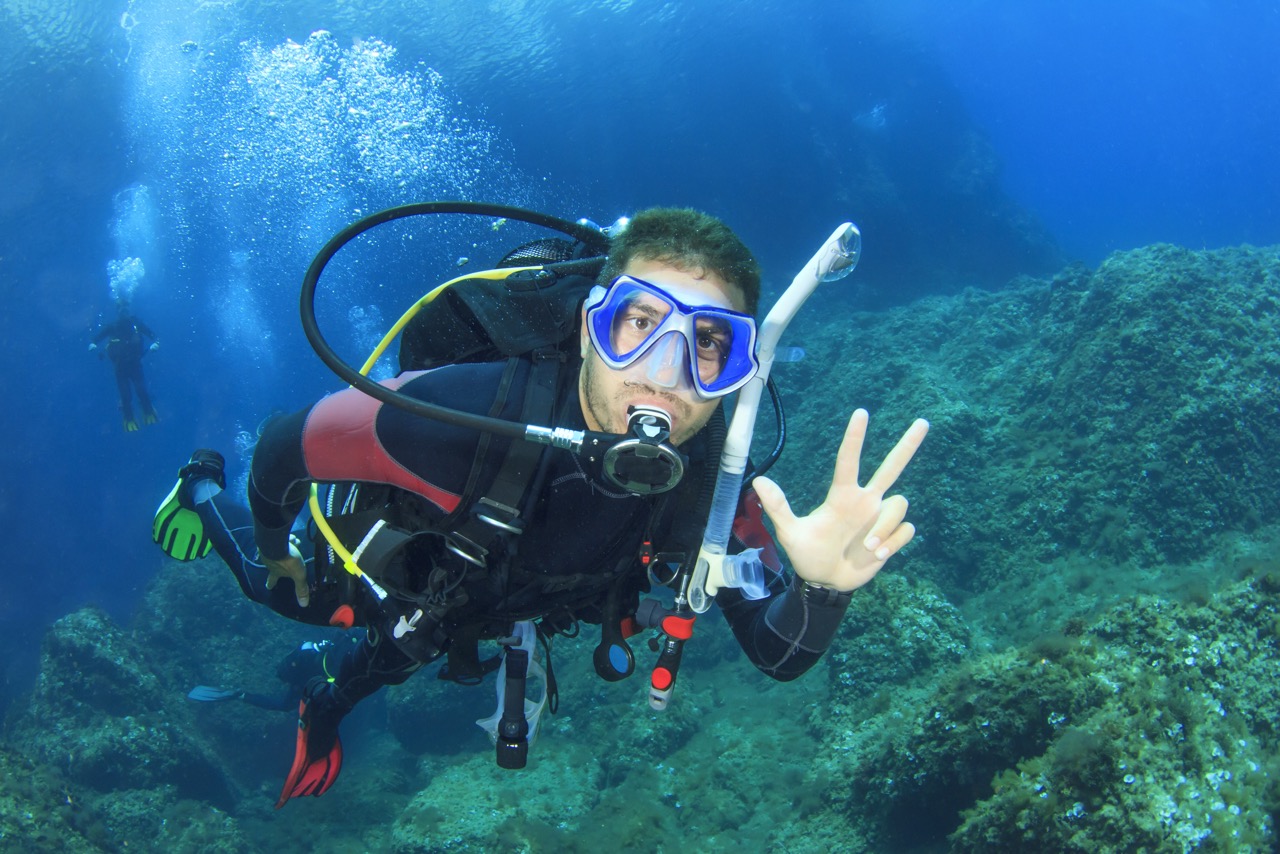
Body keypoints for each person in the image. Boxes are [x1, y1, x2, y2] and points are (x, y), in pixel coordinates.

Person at [157, 207, 929, 807]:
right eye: (638, 323)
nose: (664, 373)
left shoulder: (710, 491)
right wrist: (278, 549)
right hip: (417, 564)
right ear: (591, 328)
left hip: (494, 600)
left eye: (706, 343)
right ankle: (197, 484)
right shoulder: (452, 418)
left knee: (406, 649)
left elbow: (777, 653)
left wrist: (823, 588)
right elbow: (286, 445)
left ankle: (322, 704)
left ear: (737, 369)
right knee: (292, 600)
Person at [186, 635, 362, 711]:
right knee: (285, 706)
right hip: (315, 672)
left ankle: (239, 695)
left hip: (316, 671)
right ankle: (239, 695)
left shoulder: (324, 652)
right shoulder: (326, 656)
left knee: (284, 706)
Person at [90, 300, 160, 431]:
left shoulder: (136, 323)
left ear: (130, 309)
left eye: (126, 309)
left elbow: (153, 335)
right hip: (120, 367)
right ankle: (129, 418)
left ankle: (148, 411)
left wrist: (156, 343)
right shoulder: (113, 326)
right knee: (125, 395)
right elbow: (98, 336)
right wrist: (93, 343)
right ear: (117, 311)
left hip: (135, 364)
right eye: (121, 309)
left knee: (142, 391)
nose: (124, 311)